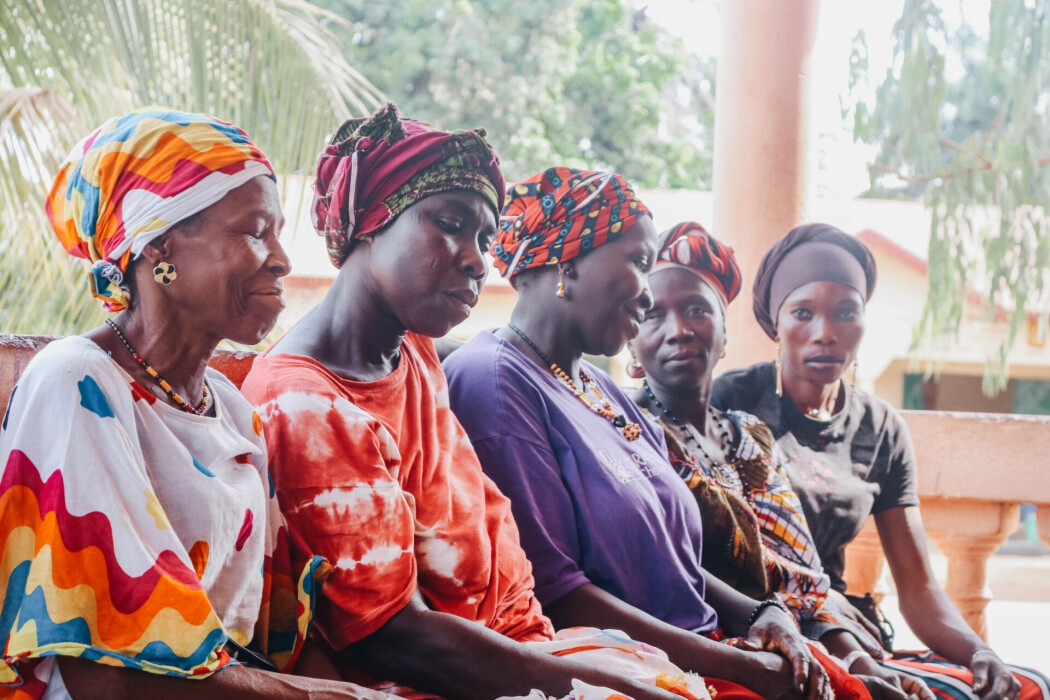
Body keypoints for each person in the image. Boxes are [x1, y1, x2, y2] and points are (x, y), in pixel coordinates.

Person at [239, 104, 706, 700]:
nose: (476, 259)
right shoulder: (305, 402)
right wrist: (590, 683)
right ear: (371, 221)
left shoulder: (413, 351)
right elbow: (391, 636)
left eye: (485, 237)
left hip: (527, 650)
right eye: (449, 222)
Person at [0, 109, 389, 700]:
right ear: (159, 246)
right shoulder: (79, 383)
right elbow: (105, 679)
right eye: (255, 230)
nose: (282, 258)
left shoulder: (232, 410)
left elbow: (277, 637)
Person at [444, 168, 867, 700]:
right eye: (640, 264)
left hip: (703, 651)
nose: (646, 297)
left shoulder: (598, 386)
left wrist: (763, 613)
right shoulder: (497, 383)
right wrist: (743, 670)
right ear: (569, 259)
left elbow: (677, 567)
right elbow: (558, 595)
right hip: (626, 674)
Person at [711, 223, 1050, 700]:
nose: (825, 333)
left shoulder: (880, 428)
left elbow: (919, 588)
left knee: (1028, 687)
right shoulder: (732, 402)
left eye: (846, 312)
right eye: (803, 312)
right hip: (764, 627)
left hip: (847, 626)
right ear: (775, 322)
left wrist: (979, 651)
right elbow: (719, 551)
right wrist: (837, 636)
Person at [628, 222, 937, 700]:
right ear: (631, 337)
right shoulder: (624, 429)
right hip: (696, 644)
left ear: (725, 334)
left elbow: (801, 580)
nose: (681, 330)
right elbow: (654, 565)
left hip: (803, 637)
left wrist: (853, 660)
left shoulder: (746, 435)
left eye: (696, 310)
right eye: (654, 313)